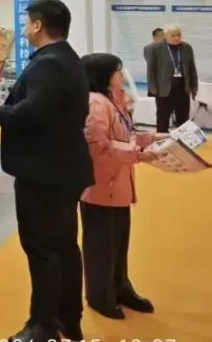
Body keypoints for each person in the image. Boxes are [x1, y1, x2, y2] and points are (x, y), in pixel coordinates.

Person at [0, 0, 93, 342]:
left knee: (43, 249)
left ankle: (43, 325)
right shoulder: (67, 58)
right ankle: (67, 319)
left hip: (44, 172)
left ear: (38, 25)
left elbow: (32, 113)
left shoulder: (49, 64)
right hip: (62, 168)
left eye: (28, 22)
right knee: (64, 246)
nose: (25, 28)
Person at [80, 53, 164, 321]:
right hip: (100, 187)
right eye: (117, 70)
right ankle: (100, 296)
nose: (121, 75)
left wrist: (153, 138)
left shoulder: (113, 100)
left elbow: (126, 135)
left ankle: (120, 288)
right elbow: (98, 146)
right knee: (101, 247)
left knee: (117, 244)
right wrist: (138, 154)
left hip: (118, 185)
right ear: (103, 75)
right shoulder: (95, 103)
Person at [146, 24, 199, 133]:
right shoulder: (155, 48)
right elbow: (151, 70)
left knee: (183, 119)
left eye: (179, 35)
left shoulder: (187, 47)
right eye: (173, 35)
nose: (176, 38)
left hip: (183, 88)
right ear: (166, 36)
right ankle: (162, 140)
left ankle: (182, 140)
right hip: (164, 90)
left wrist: (194, 87)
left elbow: (192, 69)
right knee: (163, 118)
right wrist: (153, 89)